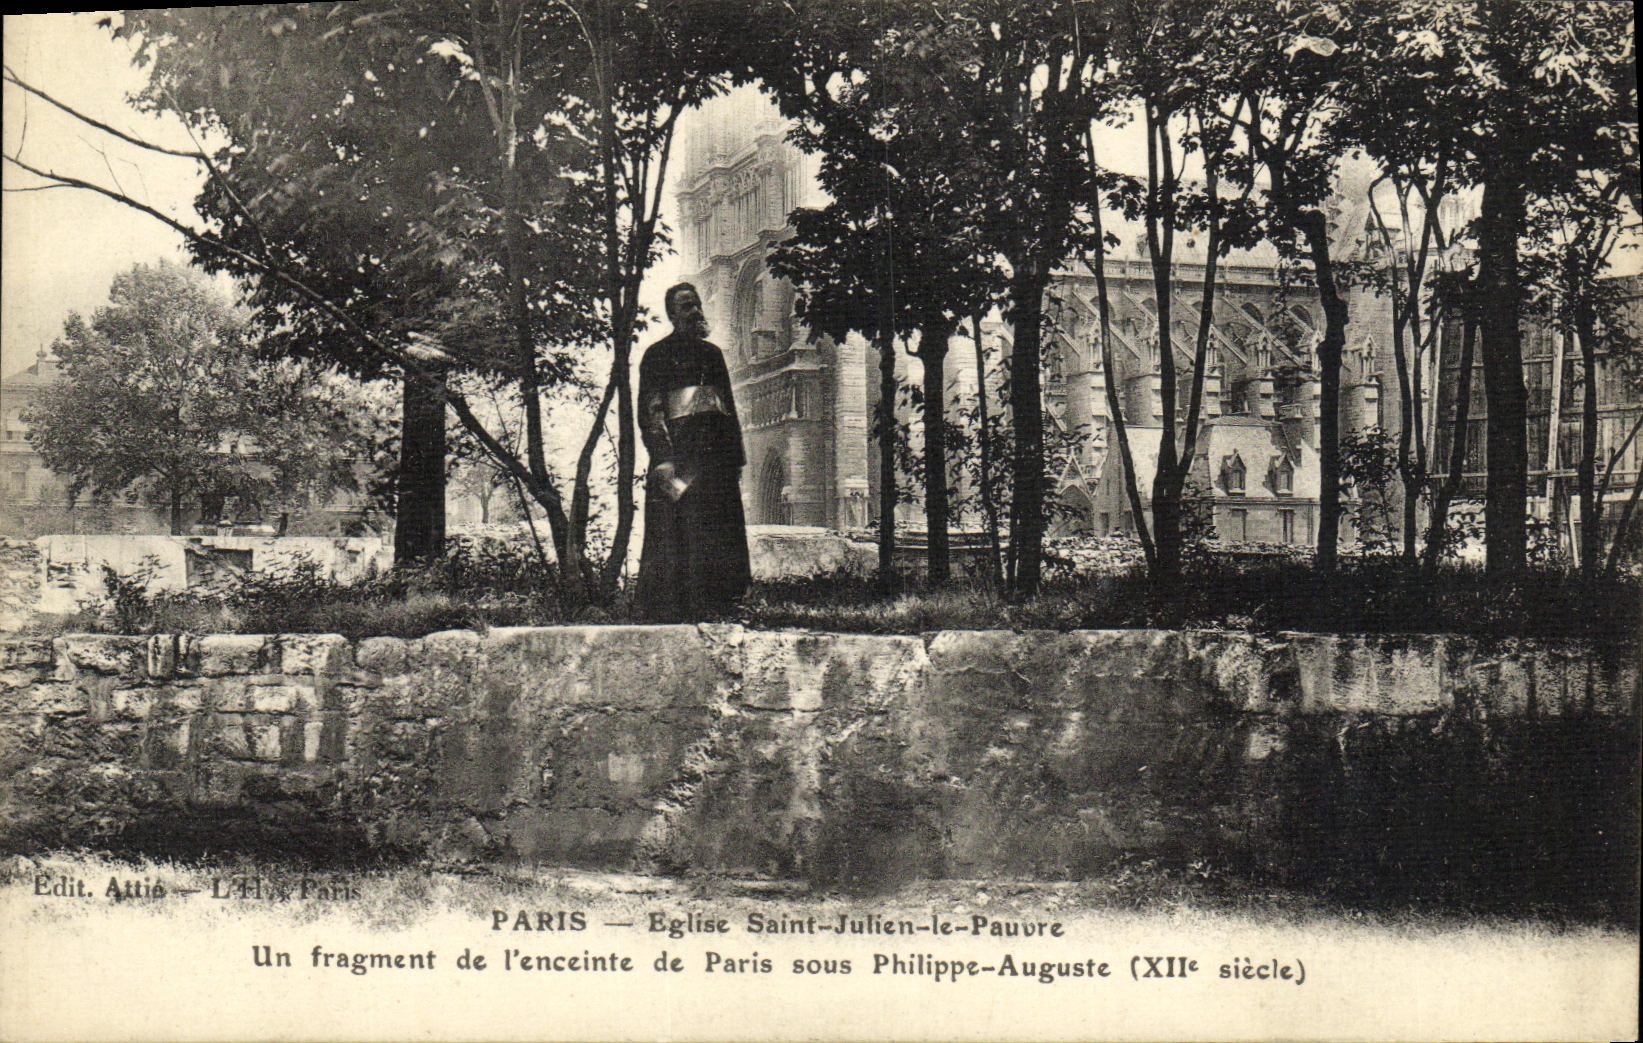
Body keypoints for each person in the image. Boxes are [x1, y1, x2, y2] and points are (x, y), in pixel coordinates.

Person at [634, 283, 751, 621]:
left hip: (716, 461)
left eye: (697, 304)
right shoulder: (656, 356)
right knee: (678, 531)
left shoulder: (713, 355)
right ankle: (673, 609)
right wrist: (664, 457)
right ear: (673, 315)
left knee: (718, 531)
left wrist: (736, 458)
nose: (695, 311)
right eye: (686, 307)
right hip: (680, 459)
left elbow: (726, 407)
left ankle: (721, 604)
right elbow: (651, 412)